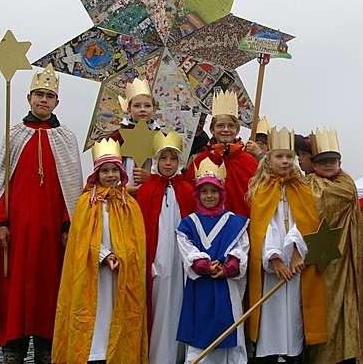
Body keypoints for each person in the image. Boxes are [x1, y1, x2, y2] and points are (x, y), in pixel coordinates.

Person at [0, 64, 83, 364]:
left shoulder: (66, 139)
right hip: (17, 234)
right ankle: (12, 347)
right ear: (28, 98)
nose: (43, 100)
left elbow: (71, 186)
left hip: (53, 234)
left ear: (56, 102)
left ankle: (46, 346)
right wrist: (0, 221)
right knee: (14, 290)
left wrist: (68, 224)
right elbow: (2, 182)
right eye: (39, 94)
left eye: (49, 96)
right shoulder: (15, 135)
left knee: (49, 290)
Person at [52, 138, 147, 363]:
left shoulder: (129, 203)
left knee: (118, 308)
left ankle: (117, 351)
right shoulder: (88, 202)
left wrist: (123, 256)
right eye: (105, 171)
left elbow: (136, 239)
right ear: (97, 174)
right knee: (93, 311)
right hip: (93, 271)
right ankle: (94, 352)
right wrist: (105, 255)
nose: (111, 175)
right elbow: (83, 239)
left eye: (115, 170)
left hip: (120, 272)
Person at [246, 127, 328, 363]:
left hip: (295, 267)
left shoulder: (303, 188)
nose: (284, 161)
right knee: (270, 316)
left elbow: (307, 223)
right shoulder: (261, 190)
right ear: (268, 158)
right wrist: (274, 257)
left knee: (294, 314)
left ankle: (294, 355)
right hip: (273, 269)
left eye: (289, 156)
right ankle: (268, 355)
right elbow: (263, 228)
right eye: (279, 156)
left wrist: (298, 253)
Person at [303, 128, 363, 364]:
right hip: (318, 259)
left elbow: (343, 193)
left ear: (340, 162)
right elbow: (317, 205)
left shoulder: (347, 183)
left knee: (347, 305)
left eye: (333, 161)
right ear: (313, 164)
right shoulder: (309, 185)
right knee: (321, 307)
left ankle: (349, 350)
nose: (328, 165)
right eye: (323, 161)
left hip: (345, 258)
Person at [176, 158, 249, 363]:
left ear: (222, 193)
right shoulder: (188, 223)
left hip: (227, 286)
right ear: (197, 195)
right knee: (199, 332)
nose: (209, 196)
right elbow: (187, 250)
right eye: (204, 192)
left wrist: (230, 266)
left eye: (214, 191)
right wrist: (203, 265)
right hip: (199, 287)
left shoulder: (235, 222)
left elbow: (241, 249)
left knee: (231, 332)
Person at [136, 130, 196, 364]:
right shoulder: (146, 189)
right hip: (156, 259)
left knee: (180, 305)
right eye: (163, 158)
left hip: (181, 261)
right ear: (156, 160)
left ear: (179, 161)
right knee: (157, 306)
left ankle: (179, 356)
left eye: (173, 159)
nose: (168, 163)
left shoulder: (188, 191)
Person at [185, 91, 258, 217]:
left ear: (237, 130)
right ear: (212, 130)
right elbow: (190, 197)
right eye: (220, 126)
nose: (225, 129)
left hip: (242, 227)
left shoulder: (249, 161)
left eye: (230, 126)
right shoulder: (200, 161)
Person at [110, 77, 160, 194]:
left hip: (150, 195)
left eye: (147, 106)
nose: (142, 109)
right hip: (122, 195)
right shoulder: (117, 138)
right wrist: (120, 187)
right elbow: (105, 169)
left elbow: (168, 171)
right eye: (137, 106)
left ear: (154, 109)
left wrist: (151, 177)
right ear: (128, 109)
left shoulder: (161, 138)